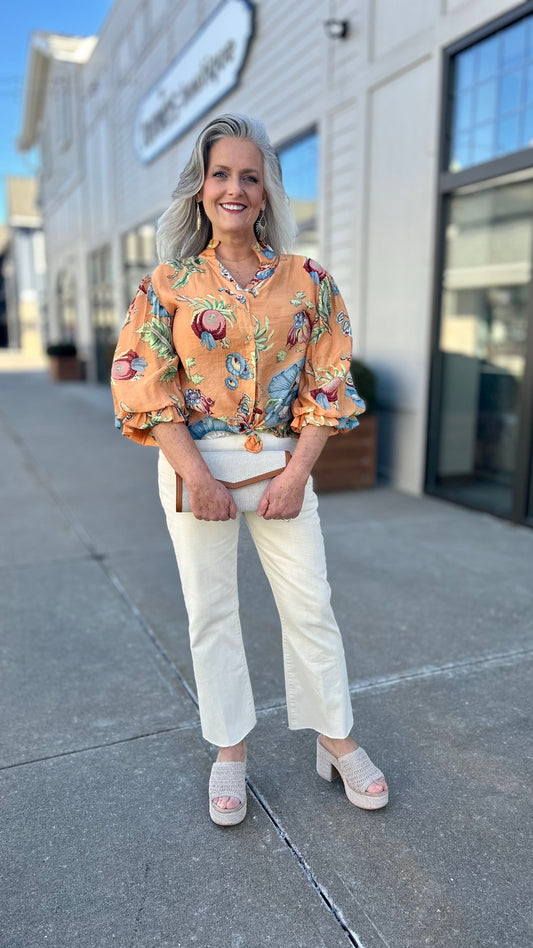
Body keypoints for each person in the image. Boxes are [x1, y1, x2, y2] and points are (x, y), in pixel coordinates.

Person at [111, 113, 388, 826]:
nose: (235, 187)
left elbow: (326, 381)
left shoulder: (307, 280)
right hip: (193, 466)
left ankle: (336, 739)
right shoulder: (167, 285)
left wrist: (297, 474)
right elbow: (145, 382)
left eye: (249, 176)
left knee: (310, 606)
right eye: (221, 174)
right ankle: (229, 751)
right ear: (199, 190)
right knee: (212, 615)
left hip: (282, 462)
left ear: (266, 192)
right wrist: (197, 478)